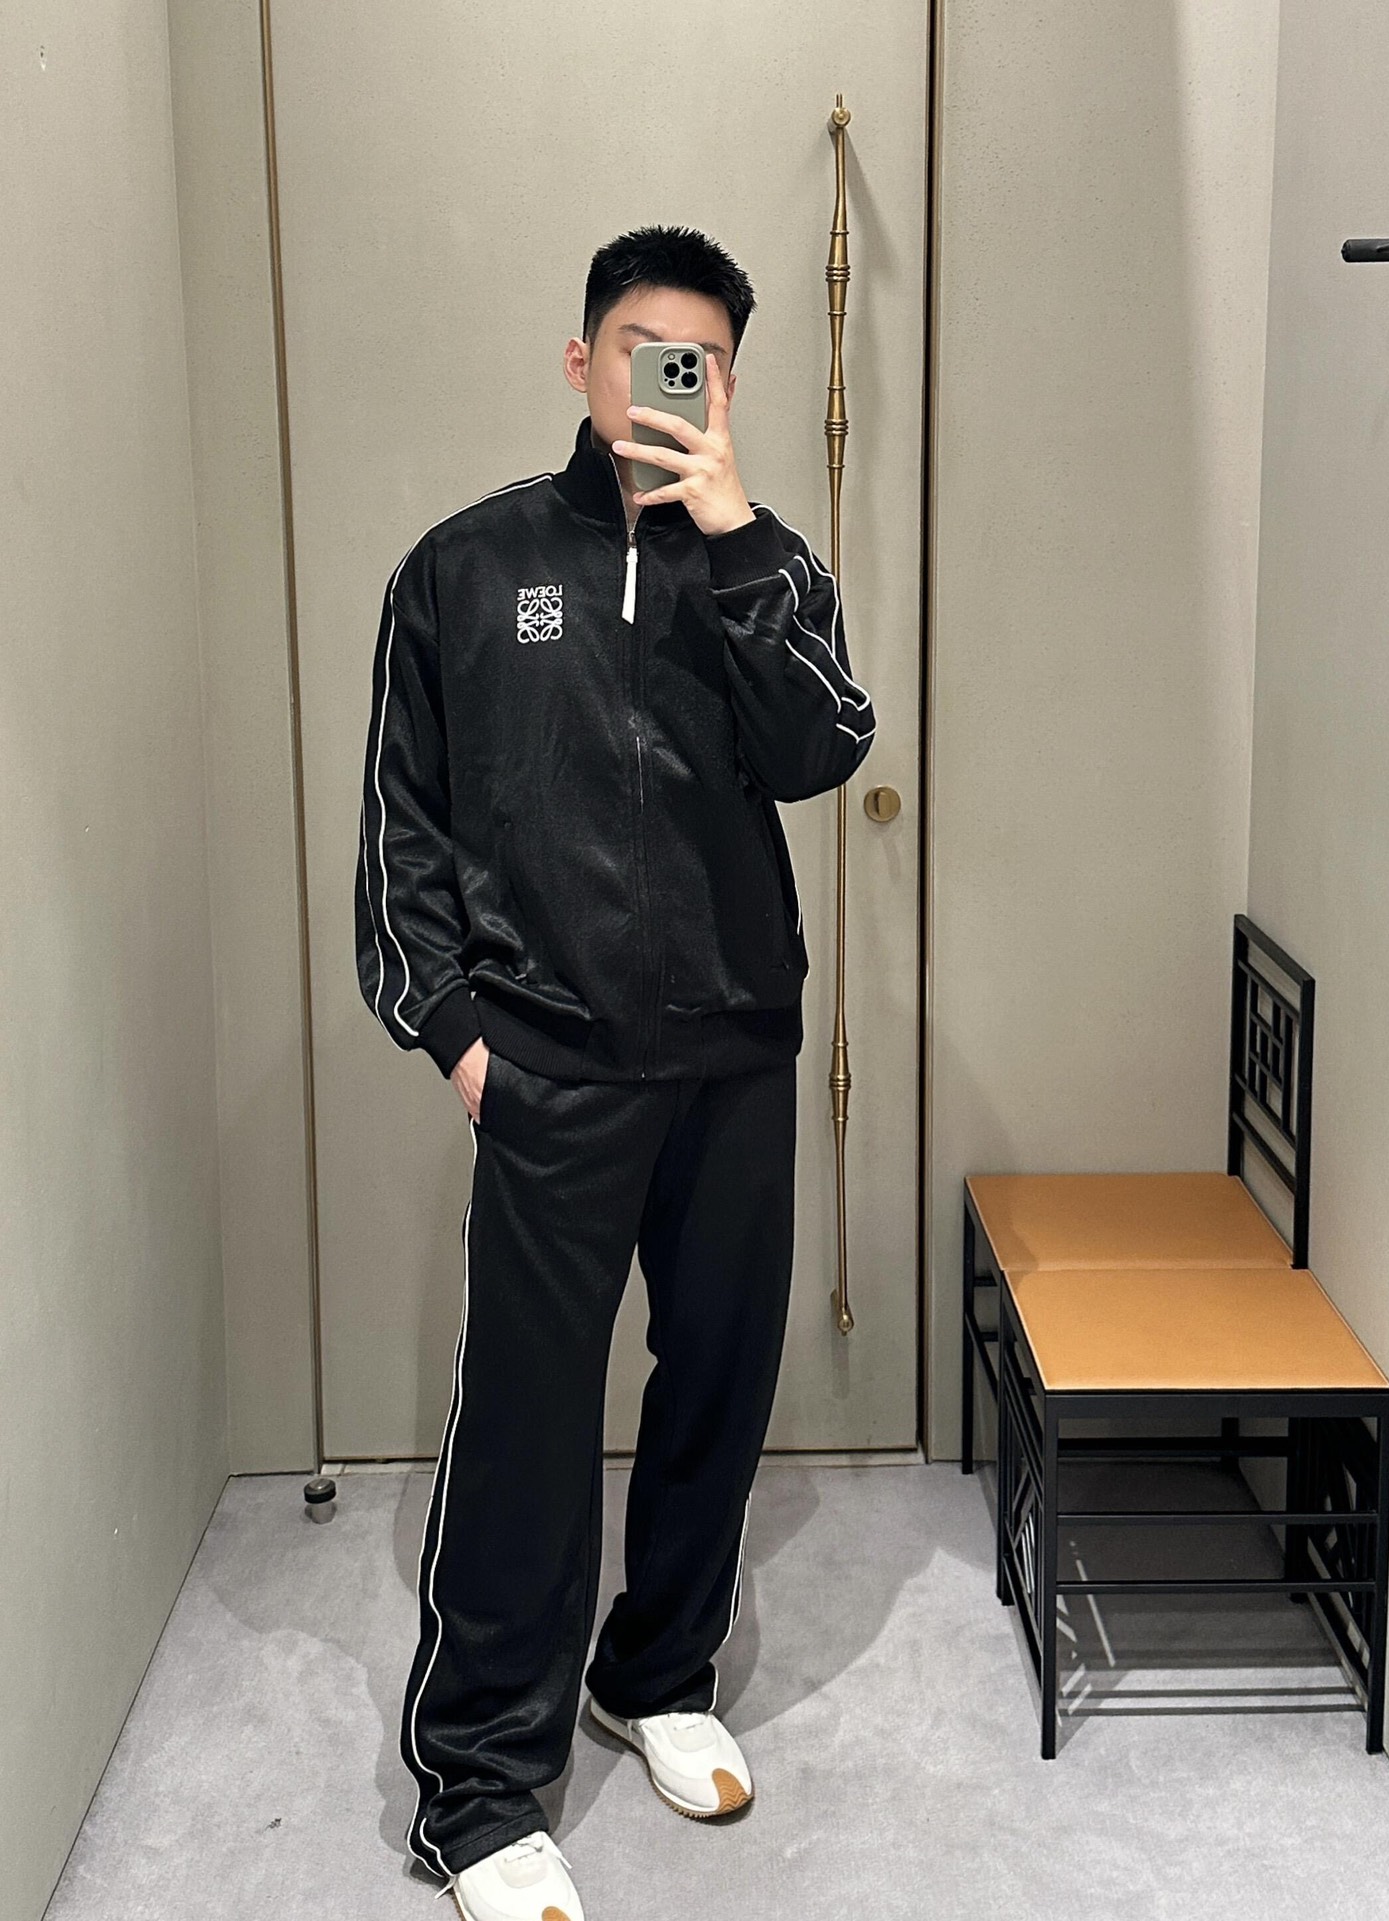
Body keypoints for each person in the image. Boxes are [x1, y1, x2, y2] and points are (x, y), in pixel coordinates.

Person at [355, 223, 876, 1921]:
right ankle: (476, 1787)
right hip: (551, 1068)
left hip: (733, 1054)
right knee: (524, 1419)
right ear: (580, 361)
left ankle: (655, 1675)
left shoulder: (766, 565)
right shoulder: (463, 566)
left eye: (700, 362)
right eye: (643, 349)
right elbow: (402, 832)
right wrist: (457, 1035)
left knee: (716, 1381)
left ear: (725, 383)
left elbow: (824, 745)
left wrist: (736, 536)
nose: (668, 380)